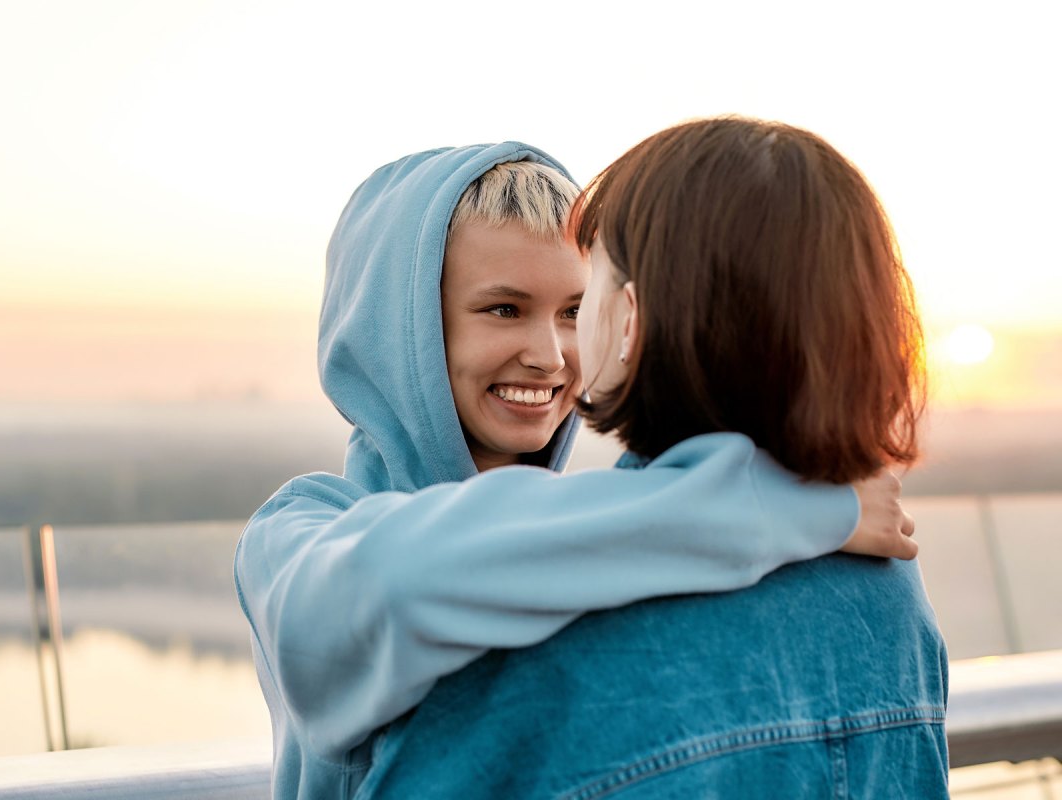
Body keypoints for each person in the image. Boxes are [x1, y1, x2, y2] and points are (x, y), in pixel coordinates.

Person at [234, 142, 916, 800]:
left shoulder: (610, 537)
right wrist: (795, 505)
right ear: (400, 330)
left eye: (573, 311)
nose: (551, 356)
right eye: (504, 309)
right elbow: (387, 589)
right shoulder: (299, 529)